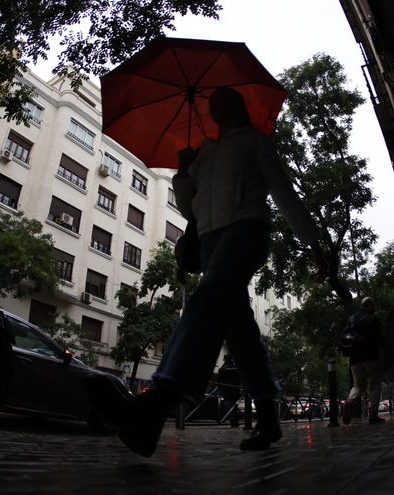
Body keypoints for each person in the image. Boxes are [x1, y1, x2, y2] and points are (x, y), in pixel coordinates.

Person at [85, 86, 325, 456]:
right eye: (213, 104)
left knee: (206, 301)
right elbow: (190, 209)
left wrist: (314, 244)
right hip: (211, 242)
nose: (217, 106)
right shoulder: (206, 153)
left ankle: (154, 407)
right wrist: (183, 172)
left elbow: (282, 191)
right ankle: (270, 418)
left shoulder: (256, 142)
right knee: (240, 333)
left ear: (239, 106)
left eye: (224, 100)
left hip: (247, 230)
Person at [340, 297, 385, 425]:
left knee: (358, 385)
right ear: (370, 305)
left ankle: (350, 401)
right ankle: (373, 415)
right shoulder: (372, 318)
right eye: (374, 306)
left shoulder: (351, 319)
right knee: (375, 385)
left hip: (354, 358)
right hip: (371, 356)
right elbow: (380, 338)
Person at [217, 354, 242, 427]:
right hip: (235, 390)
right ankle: (235, 421)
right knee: (234, 406)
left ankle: (232, 421)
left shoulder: (222, 369)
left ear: (225, 360)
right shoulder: (237, 368)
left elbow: (219, 380)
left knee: (228, 405)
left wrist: (219, 389)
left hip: (226, 390)